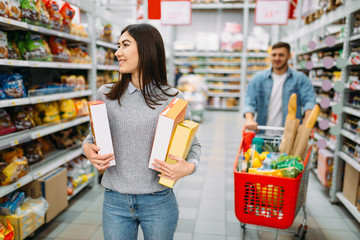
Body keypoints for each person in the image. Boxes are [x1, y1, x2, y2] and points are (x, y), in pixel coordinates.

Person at [82, 23, 201, 240]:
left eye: (125, 45)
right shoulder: (106, 94)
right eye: (118, 45)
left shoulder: (172, 98)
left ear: (147, 49)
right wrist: (87, 149)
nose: (117, 52)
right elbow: (91, 139)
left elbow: (193, 145)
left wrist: (189, 167)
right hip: (115, 200)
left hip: (158, 201)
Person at [243, 42, 316, 131]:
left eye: (281, 55)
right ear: (270, 56)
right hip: (263, 132)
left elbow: (309, 102)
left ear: (289, 56)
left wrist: (306, 124)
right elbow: (249, 101)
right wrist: (250, 120)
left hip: (290, 134)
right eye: (274, 55)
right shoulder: (258, 79)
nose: (277, 58)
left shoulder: (300, 79)